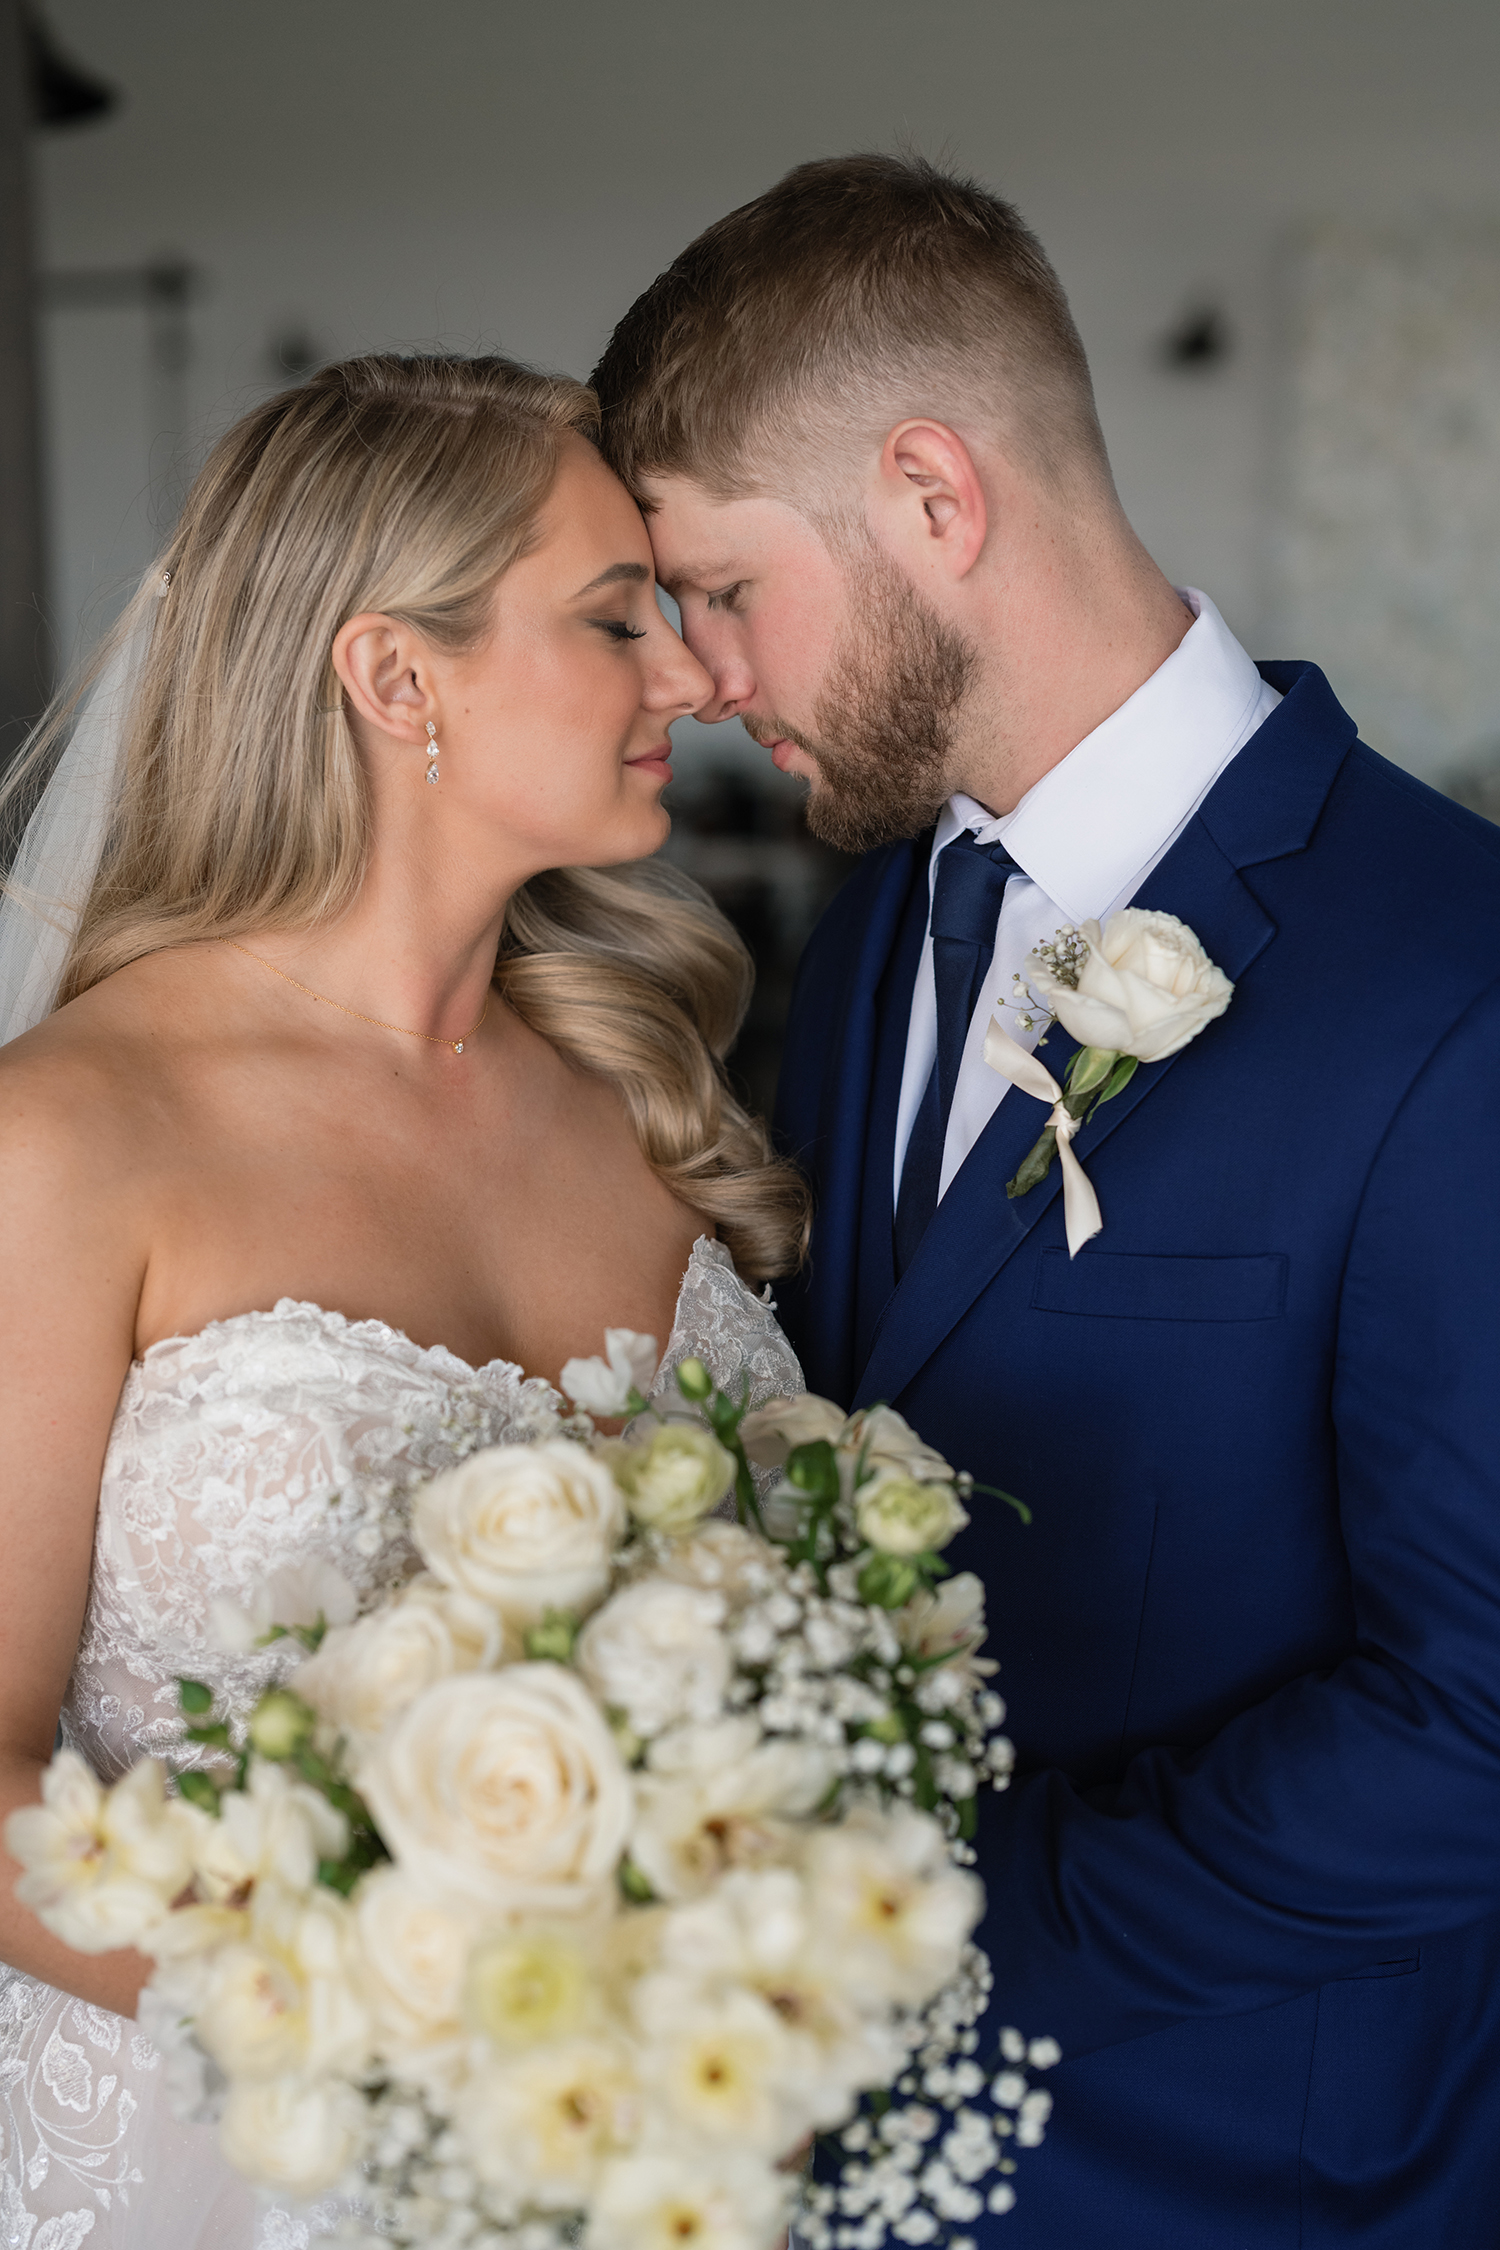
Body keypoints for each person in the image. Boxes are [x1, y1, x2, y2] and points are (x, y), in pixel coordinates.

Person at [591, 154, 1500, 2246]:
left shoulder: (1455, 987)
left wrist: (902, 1919)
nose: (701, 677)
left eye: (722, 585)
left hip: (1258, 2178)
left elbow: (1476, 1727)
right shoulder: (874, 930)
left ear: (932, 493)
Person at [0, 352, 807, 2250]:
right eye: (619, 618)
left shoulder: (644, 1093)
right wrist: (402, 2037)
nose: (689, 676)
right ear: (393, 674)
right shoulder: (71, 1137)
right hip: (215, 2153)